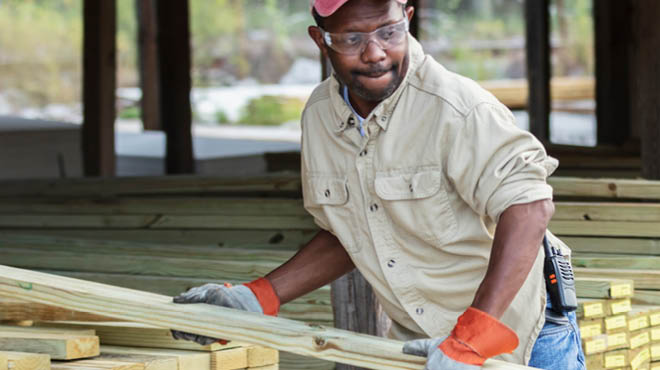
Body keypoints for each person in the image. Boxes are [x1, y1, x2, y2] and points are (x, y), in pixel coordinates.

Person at [172, 1, 585, 368]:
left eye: (388, 32)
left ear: (407, 18)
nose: (375, 53)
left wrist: (474, 335)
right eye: (352, 38)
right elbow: (352, 232)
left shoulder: (456, 108)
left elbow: (529, 207)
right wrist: (260, 296)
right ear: (321, 40)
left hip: (517, 336)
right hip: (420, 341)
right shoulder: (320, 118)